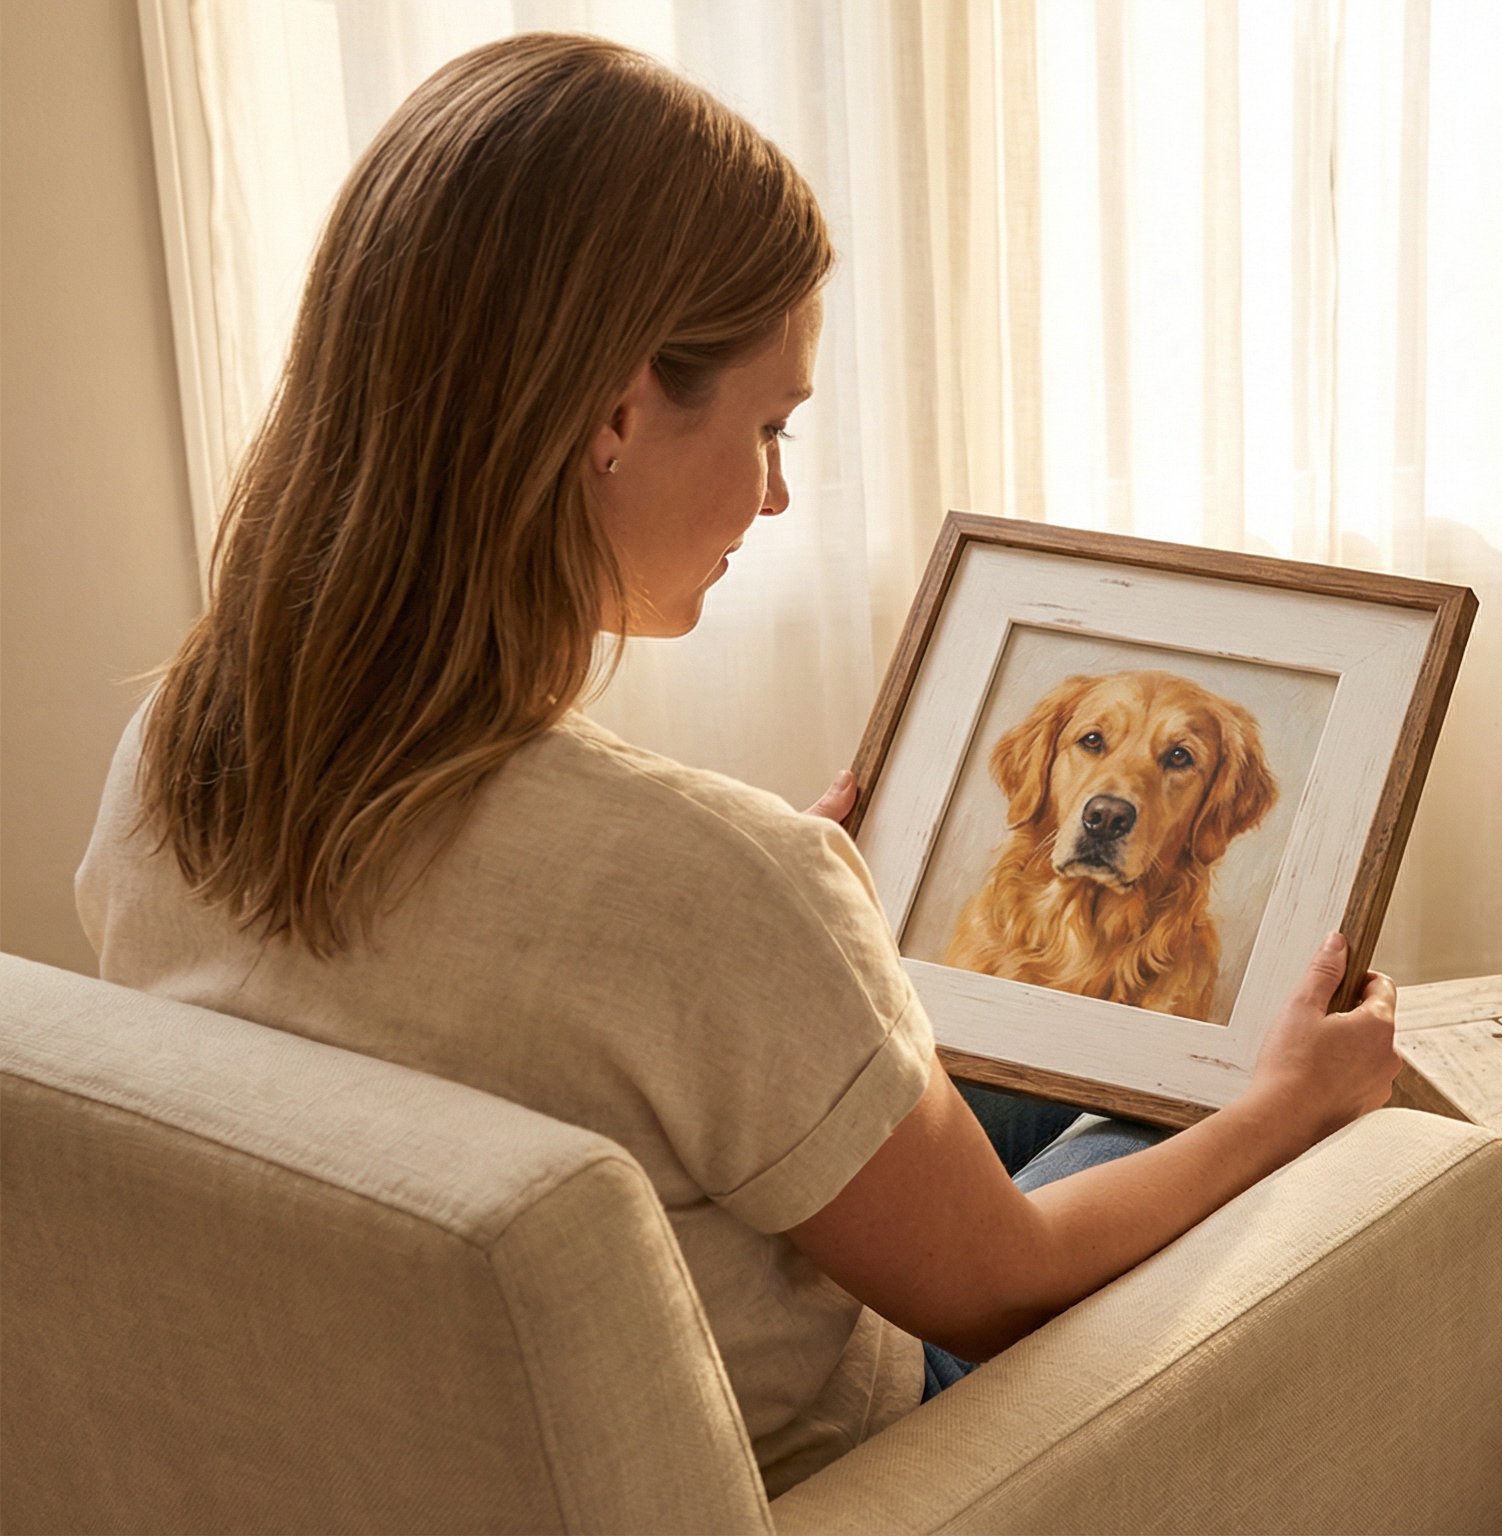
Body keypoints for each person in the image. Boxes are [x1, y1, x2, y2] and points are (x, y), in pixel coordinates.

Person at [74, 32, 1401, 1496]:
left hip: (399, 1441)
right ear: (616, 415)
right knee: (1191, 1082)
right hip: (862, 1450)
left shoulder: (175, 755)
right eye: (770, 426)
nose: (777, 493)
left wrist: (792, 915)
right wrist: (1288, 1107)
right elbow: (999, 1285)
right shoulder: (710, 886)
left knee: (1062, 1023)